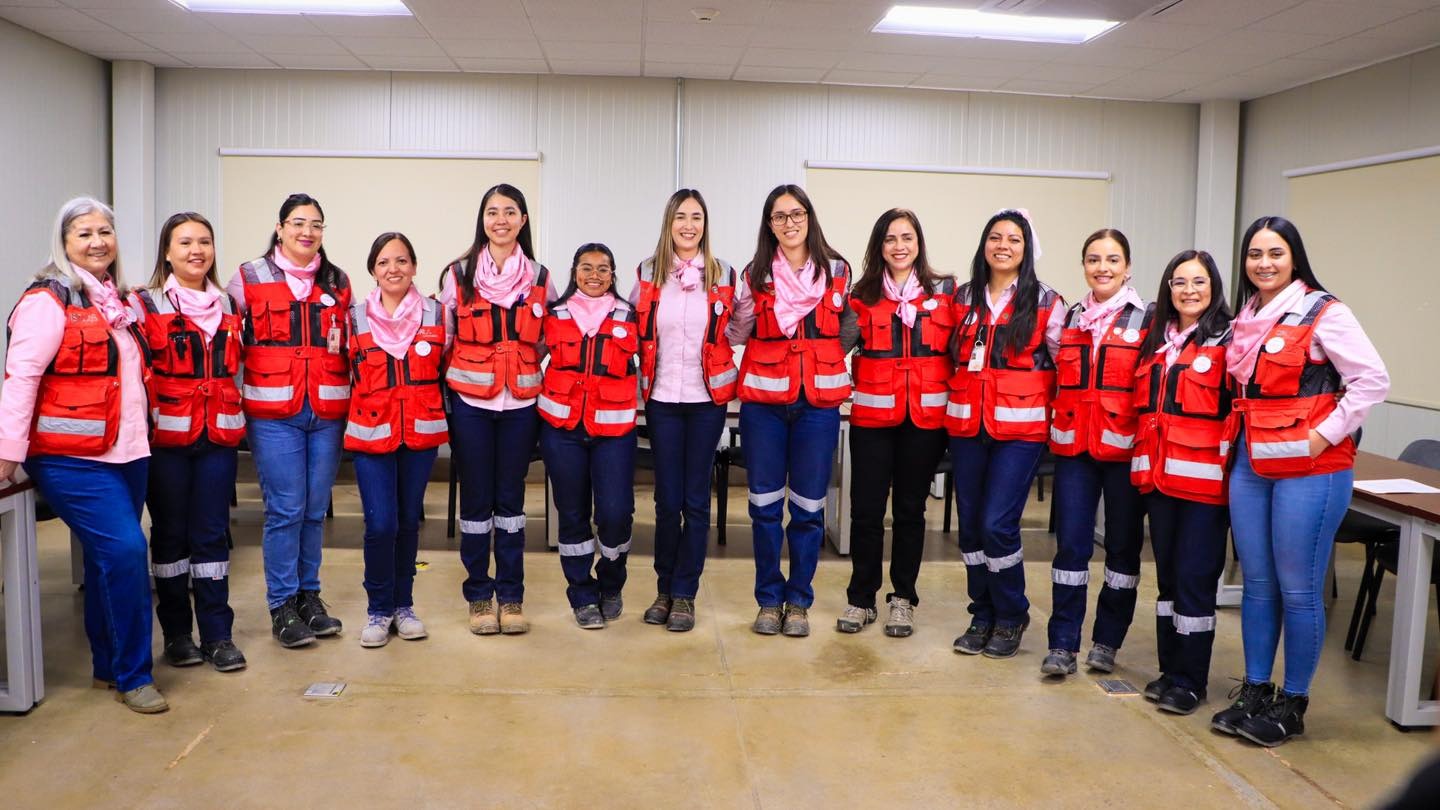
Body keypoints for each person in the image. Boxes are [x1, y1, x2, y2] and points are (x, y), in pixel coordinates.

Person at [1214, 216, 1388, 747]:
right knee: (1259, 584)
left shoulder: (1324, 312)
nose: (1263, 263)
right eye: (1254, 254)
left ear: (1295, 258)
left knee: (1300, 589)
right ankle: (1257, 688)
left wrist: (1323, 435)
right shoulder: (1247, 316)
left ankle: (1293, 701)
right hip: (1252, 459)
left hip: (1311, 468)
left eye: (1276, 253)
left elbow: (1371, 379)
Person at [0, 197, 167, 713]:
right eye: (83, 233)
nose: (98, 241)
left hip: (128, 452)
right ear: (64, 243)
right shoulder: (47, 301)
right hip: (70, 459)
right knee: (124, 552)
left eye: (105, 231)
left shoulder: (114, 301)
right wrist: (6, 455)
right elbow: (21, 377)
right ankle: (134, 674)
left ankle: (107, 667)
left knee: (103, 562)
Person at [727, 184, 854, 637]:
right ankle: (768, 599)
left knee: (807, 508)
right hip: (763, 405)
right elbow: (737, 330)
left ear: (809, 217)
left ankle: (798, 601)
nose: (789, 222)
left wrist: (820, 359)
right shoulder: (754, 273)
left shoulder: (837, 269)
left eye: (796, 213)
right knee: (764, 507)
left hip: (817, 406)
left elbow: (848, 326)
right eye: (779, 216)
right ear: (769, 224)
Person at [227, 192, 350, 648]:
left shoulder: (338, 280)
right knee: (285, 510)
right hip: (274, 414)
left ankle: (309, 598)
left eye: (316, 224)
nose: (307, 232)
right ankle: (281, 605)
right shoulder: (248, 277)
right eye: (298, 223)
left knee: (315, 510)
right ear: (280, 228)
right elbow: (224, 341)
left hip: (326, 411)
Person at [946, 208, 1066, 660]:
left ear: (1027, 248)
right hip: (966, 426)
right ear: (983, 245)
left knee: (998, 524)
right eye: (995, 237)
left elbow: (1063, 366)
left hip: (1020, 431)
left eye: (1013, 239)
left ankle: (1012, 614)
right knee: (972, 528)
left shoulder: (1047, 303)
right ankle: (982, 612)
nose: (1003, 246)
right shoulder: (962, 298)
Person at [131, 212, 246, 673]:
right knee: (171, 537)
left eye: (204, 241)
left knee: (212, 535)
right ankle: (177, 634)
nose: (196, 250)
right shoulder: (144, 305)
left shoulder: (230, 305)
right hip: (167, 441)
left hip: (217, 438)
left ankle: (218, 635)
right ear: (167, 251)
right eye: (185, 243)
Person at [441, 184, 556, 636]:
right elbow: (444, 336)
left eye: (510, 212)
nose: (501, 220)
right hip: (470, 402)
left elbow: (547, 337)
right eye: (493, 212)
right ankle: (478, 597)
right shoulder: (459, 273)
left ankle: (511, 597)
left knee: (511, 503)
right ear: (482, 220)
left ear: (523, 221)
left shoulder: (540, 277)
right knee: (476, 502)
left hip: (521, 402)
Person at [837, 208, 953, 638]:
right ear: (879, 246)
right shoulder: (860, 295)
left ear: (919, 243)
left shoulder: (946, 293)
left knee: (910, 511)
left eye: (907, 237)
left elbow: (962, 352)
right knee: (865, 512)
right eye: (890, 239)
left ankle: (902, 598)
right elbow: (836, 349)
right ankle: (860, 599)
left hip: (924, 421)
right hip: (871, 419)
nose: (899, 246)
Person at [1042, 229, 1151, 677]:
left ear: (1127, 267)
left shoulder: (1148, 319)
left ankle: (1107, 641)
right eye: (1093, 259)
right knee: (1070, 548)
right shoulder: (1070, 317)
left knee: (1123, 552)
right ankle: (1062, 644)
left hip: (1125, 453)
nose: (1101, 267)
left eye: (1111, 259)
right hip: (1075, 451)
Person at [1130, 250, 1234, 714]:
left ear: (1213, 287)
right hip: (1160, 481)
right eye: (1179, 282)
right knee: (1168, 580)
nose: (1188, 291)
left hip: (1205, 489)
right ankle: (1170, 670)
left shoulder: (1229, 341)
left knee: (1194, 582)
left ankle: (1192, 681)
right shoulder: (1158, 342)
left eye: (1198, 282)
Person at [630, 189, 737, 632]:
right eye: (680, 217)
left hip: (706, 399)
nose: (688, 225)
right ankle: (663, 589)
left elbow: (743, 323)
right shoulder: (648, 271)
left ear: (705, 224)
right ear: (668, 223)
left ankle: (686, 594)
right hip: (662, 400)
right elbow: (633, 328)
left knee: (696, 500)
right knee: (665, 500)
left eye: (696, 217)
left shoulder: (725, 273)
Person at [346, 233, 447, 647]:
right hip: (371, 433)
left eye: (402, 261)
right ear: (373, 269)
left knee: (407, 521)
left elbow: (447, 365)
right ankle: (377, 609)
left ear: (415, 267)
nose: (394, 269)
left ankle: (404, 606)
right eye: (385, 262)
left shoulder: (438, 313)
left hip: (419, 433)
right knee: (380, 523)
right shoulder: (353, 315)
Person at [537, 244, 638, 629]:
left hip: (614, 431)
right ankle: (581, 593)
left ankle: (611, 583)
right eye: (586, 267)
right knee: (573, 514)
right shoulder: (554, 314)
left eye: (603, 268)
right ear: (574, 271)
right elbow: (532, 355)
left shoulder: (630, 315)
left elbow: (653, 357)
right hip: (562, 430)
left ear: (614, 275)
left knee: (615, 513)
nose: (594, 275)